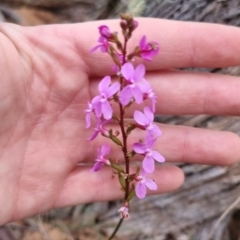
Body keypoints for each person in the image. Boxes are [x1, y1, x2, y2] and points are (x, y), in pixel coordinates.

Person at [0, 18, 240, 226]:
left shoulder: (136, 90)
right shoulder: (113, 91)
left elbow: (135, 98)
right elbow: (118, 95)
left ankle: (129, 194)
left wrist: (141, 109)